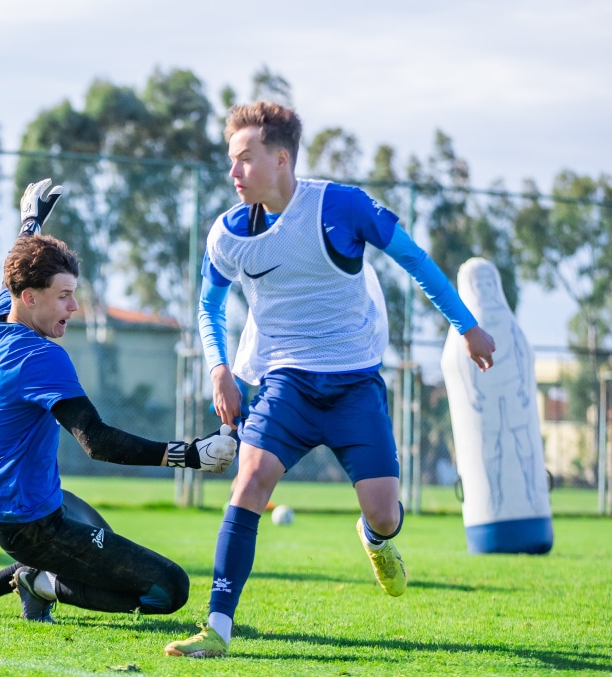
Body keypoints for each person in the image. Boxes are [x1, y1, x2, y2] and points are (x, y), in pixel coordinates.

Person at [164, 102, 496, 658]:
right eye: (231, 159)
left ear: (281, 158)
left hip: (354, 385)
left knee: (385, 513)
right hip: (285, 382)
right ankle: (217, 629)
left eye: (245, 158)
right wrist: (219, 368)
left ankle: (374, 538)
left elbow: (414, 259)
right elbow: (208, 306)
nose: (234, 171)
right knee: (249, 485)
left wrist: (468, 327)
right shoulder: (227, 234)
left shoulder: (341, 207)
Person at [0, 178, 237, 623]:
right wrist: (190, 455)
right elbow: (97, 441)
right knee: (168, 589)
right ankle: (41, 584)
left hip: (27, 503)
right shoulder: (40, 356)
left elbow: (14, 272)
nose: (74, 308)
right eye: (64, 296)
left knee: (103, 545)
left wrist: (30, 223)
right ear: (30, 298)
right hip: (31, 524)